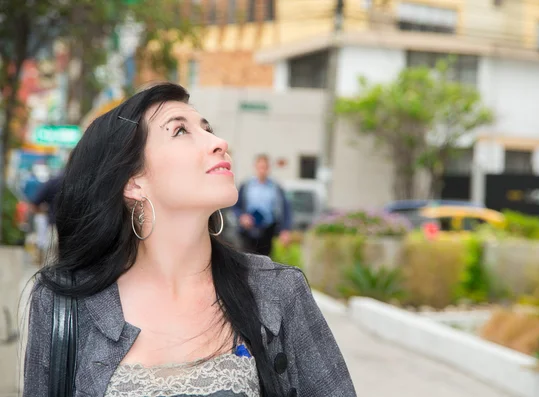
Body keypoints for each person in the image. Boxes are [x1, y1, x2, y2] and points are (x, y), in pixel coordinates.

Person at [23, 83, 356, 397]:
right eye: (180, 130)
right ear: (133, 182)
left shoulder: (277, 292)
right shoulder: (64, 304)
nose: (219, 142)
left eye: (207, 128)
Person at [232, 154, 292, 256]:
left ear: (269, 168)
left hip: (267, 231)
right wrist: (242, 217)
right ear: (255, 167)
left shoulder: (276, 187)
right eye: (260, 167)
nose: (262, 170)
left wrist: (285, 230)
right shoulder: (246, 186)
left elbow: (285, 209)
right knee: (247, 259)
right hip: (248, 231)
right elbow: (235, 206)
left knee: (264, 261)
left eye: (265, 167)